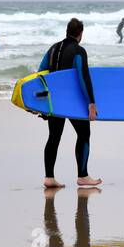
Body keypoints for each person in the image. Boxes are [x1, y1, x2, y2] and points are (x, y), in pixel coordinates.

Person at [39, 17, 101, 188]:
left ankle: (49, 177)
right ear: (80, 34)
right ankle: (83, 175)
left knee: (54, 137)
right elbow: (83, 76)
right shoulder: (79, 51)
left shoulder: (52, 49)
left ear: (67, 31)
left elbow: (41, 74)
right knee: (84, 134)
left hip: (54, 102)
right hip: (71, 103)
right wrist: (91, 103)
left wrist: (40, 103)